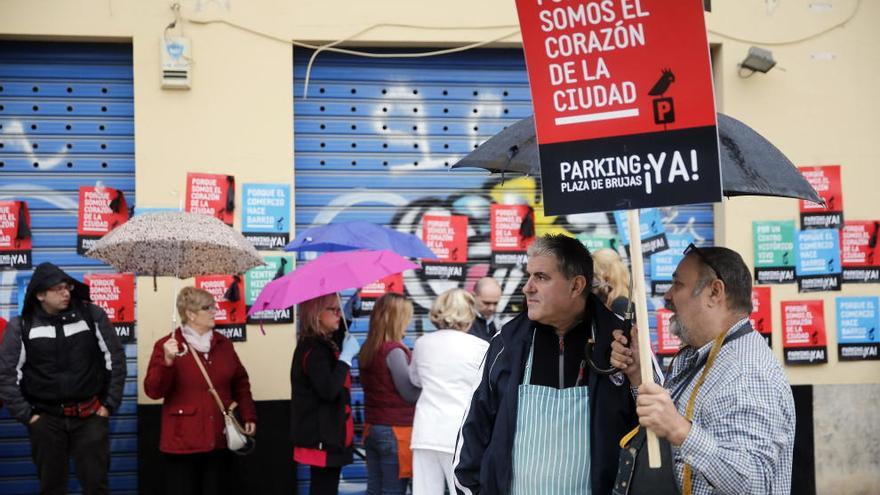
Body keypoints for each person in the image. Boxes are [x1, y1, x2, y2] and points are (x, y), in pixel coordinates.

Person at [454, 234, 636, 494]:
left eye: (541, 277)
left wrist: (636, 374)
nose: (527, 287)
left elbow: (653, 432)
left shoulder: (622, 343)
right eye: (529, 276)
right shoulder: (506, 344)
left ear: (576, 286)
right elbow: (471, 437)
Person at [610, 245, 796, 495]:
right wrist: (638, 375)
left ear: (714, 292)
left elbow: (756, 483)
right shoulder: (706, 355)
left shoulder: (747, 374)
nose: (668, 296)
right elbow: (673, 418)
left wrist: (680, 431)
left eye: (678, 284)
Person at [0, 262, 126, 495]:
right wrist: (29, 416)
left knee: (96, 486)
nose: (66, 292)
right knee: (52, 488)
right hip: (46, 421)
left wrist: (108, 405)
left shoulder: (91, 315)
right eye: (57, 289)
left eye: (67, 287)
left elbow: (115, 360)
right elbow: (7, 375)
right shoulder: (22, 325)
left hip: (90, 417)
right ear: (40, 294)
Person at [144, 286, 257, 495]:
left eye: (214, 306)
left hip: (220, 440)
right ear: (190, 314)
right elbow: (153, 391)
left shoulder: (224, 345)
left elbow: (241, 382)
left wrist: (249, 415)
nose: (215, 310)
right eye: (208, 307)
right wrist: (167, 361)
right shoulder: (167, 345)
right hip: (182, 442)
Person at [409, 289, 489, 495]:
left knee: (424, 492)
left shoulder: (421, 343)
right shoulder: (480, 346)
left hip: (425, 429)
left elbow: (415, 379)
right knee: (461, 490)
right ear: (468, 314)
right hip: (459, 432)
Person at [290, 293, 361, 495]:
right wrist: (346, 358)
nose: (338, 314)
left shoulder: (323, 343)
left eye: (339, 310)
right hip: (321, 437)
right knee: (324, 490)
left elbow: (336, 342)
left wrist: (348, 314)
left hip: (330, 434)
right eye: (334, 310)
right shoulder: (313, 350)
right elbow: (328, 389)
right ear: (317, 314)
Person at [359, 293, 419, 495]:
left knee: (374, 488)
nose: (409, 321)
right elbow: (409, 394)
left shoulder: (368, 348)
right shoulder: (394, 351)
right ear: (397, 318)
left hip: (372, 428)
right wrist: (429, 384)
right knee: (393, 490)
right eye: (407, 316)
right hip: (395, 432)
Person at [592, 248, 631, 317]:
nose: (593, 279)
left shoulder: (620, 304)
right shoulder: (618, 302)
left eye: (595, 274)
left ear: (605, 274)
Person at [468, 277, 502, 341]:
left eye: (495, 303)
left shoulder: (490, 320)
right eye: (486, 303)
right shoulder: (464, 322)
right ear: (473, 296)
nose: (491, 308)